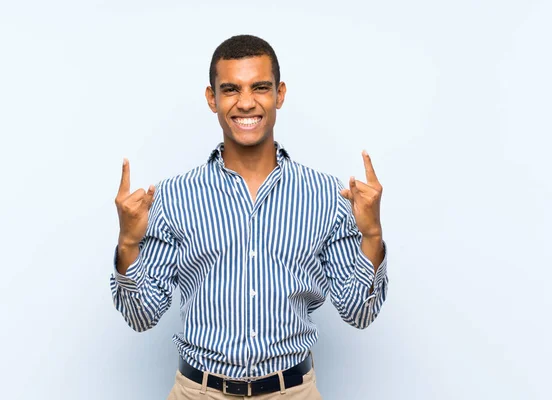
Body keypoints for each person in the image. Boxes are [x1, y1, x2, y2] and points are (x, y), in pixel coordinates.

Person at [110, 34, 388, 399]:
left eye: (260, 87)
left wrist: (371, 236)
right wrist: (128, 242)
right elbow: (141, 316)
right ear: (212, 98)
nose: (246, 103)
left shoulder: (327, 196)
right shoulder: (172, 197)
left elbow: (359, 312)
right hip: (199, 392)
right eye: (230, 89)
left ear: (280, 94)